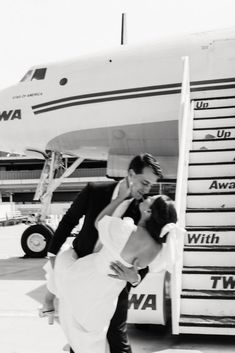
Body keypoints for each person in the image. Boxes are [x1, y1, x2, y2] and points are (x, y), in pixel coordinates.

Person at [43, 153, 163, 353]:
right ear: (131, 174)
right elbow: (69, 220)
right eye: (144, 182)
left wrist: (135, 278)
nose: (146, 189)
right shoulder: (95, 190)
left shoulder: (144, 210)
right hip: (80, 273)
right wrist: (53, 254)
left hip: (114, 283)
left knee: (117, 339)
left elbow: (148, 250)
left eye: (150, 185)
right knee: (79, 333)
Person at [53, 192, 177, 353]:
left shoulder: (125, 230)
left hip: (87, 276)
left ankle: (74, 344)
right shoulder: (158, 248)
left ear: (149, 212)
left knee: (64, 263)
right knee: (92, 330)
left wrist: (119, 198)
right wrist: (135, 278)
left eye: (150, 200)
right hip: (109, 291)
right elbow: (142, 270)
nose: (146, 197)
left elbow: (99, 222)